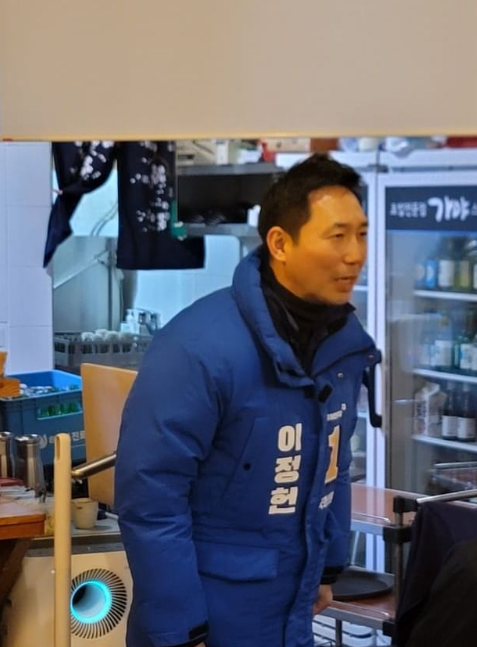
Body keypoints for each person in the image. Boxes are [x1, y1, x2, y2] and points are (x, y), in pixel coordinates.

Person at [115, 153, 379, 647]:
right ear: (280, 243)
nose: (355, 254)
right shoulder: (198, 347)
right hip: (212, 611)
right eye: (337, 236)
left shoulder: (342, 345)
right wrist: (180, 630)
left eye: (361, 234)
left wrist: (328, 565)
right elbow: (151, 497)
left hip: (293, 606)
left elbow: (333, 460)